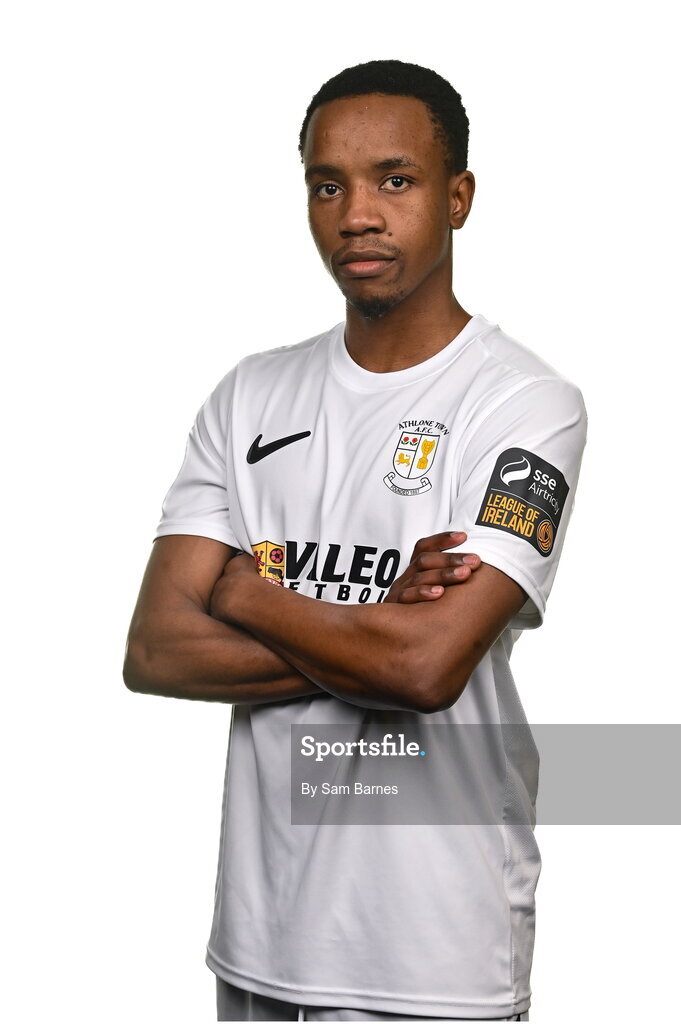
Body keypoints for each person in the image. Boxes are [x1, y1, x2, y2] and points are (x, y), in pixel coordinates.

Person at [123, 59, 587, 1022]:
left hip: (431, 959)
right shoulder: (249, 395)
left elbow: (424, 671)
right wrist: (372, 630)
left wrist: (246, 592)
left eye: (395, 179)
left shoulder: (523, 405)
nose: (356, 214)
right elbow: (156, 649)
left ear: (456, 197)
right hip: (259, 943)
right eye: (326, 185)